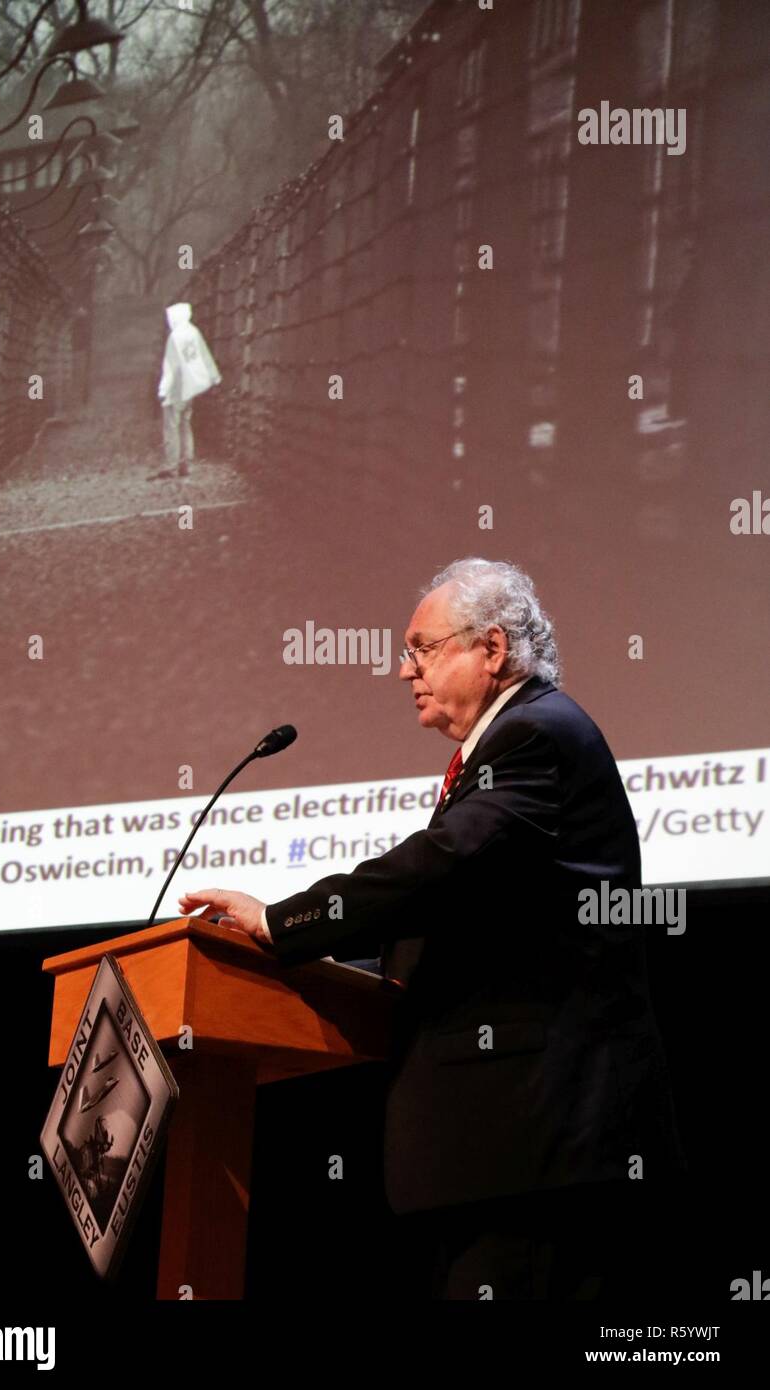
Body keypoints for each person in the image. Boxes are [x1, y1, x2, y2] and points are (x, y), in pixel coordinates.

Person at [178, 557, 688, 1299]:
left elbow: (440, 866)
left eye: (421, 647)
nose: (401, 669)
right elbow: (460, 905)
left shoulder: (534, 735)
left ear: (491, 649)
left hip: (536, 1145)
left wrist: (281, 921)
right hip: (508, 1152)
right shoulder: (505, 746)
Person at [157, 302, 221, 477]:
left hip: (177, 386)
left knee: (171, 426)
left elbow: (170, 365)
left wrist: (163, 390)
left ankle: (171, 465)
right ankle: (186, 463)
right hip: (191, 386)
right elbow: (204, 355)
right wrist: (214, 376)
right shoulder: (193, 332)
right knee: (186, 424)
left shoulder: (175, 336)